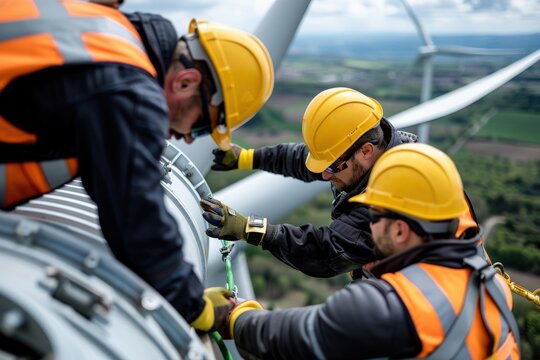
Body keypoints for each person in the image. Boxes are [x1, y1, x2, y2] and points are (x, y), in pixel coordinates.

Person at [0, 0, 273, 332]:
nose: (188, 139)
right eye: (201, 126)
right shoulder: (130, 90)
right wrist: (195, 307)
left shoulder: (113, 30)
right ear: (185, 82)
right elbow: (136, 216)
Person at [217, 143, 521, 359]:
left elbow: (296, 337)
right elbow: (311, 160)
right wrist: (248, 157)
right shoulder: (493, 286)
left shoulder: (391, 305)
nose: (368, 228)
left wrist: (235, 317)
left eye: (373, 217)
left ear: (401, 231)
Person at [202, 87, 420, 279]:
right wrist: (247, 157)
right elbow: (301, 159)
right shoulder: (357, 150)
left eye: (332, 168)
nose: (325, 176)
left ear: (366, 151)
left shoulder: (390, 200)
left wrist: (250, 229)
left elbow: (326, 252)